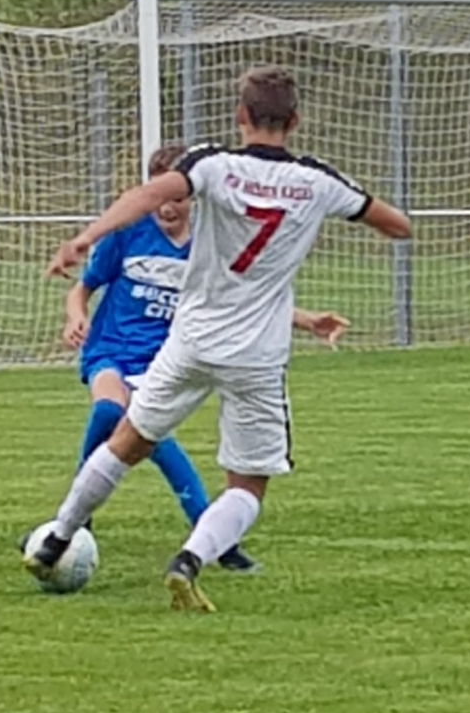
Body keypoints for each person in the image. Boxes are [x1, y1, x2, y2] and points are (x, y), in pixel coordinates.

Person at [24, 65, 411, 610]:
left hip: (191, 342)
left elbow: (149, 192)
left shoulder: (213, 164)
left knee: (128, 441)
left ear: (241, 115)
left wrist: (84, 238)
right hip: (255, 357)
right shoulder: (319, 181)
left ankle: (57, 536)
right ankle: (189, 560)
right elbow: (395, 225)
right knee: (248, 484)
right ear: (295, 120)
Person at [26, 142, 353, 575]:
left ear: (191, 198)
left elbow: (242, 303)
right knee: (110, 409)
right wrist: (75, 316)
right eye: (160, 197)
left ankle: (76, 524)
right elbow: (82, 287)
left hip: (163, 357)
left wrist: (310, 321)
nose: (168, 207)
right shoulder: (128, 234)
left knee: (148, 438)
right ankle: (77, 521)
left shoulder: (208, 245)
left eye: (177, 199)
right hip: (112, 350)